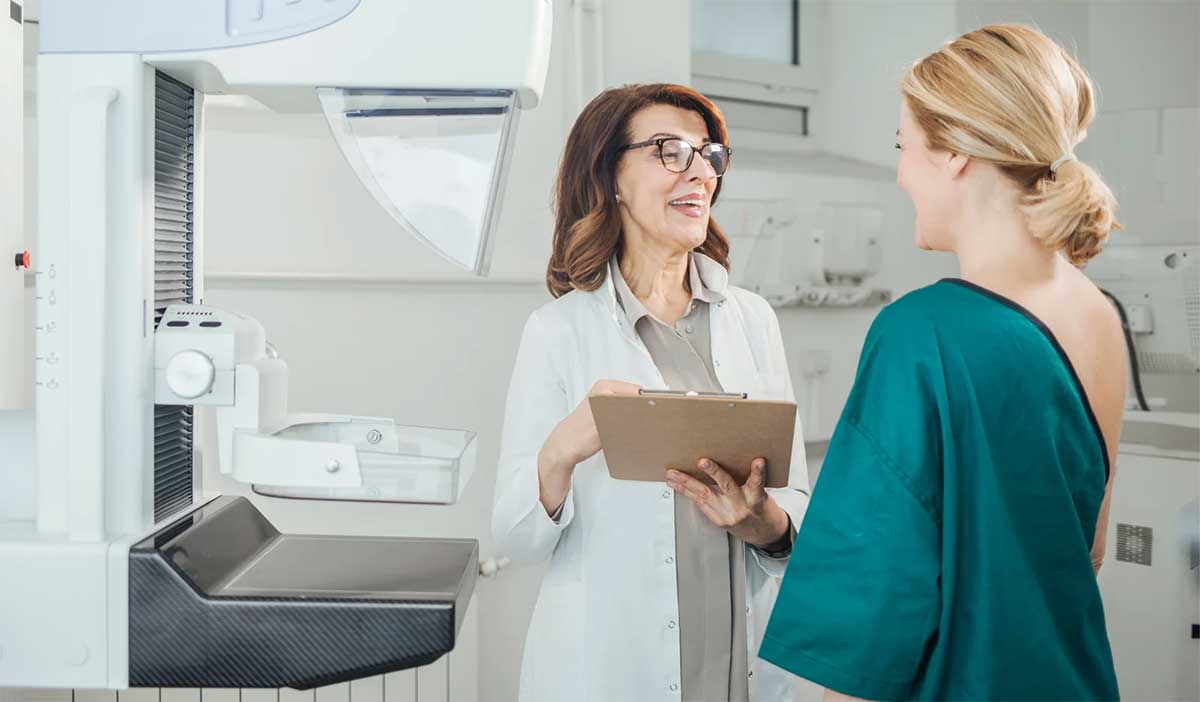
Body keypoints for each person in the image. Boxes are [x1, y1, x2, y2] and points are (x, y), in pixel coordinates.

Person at [759, 24, 1124, 701]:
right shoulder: (1099, 315)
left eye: (904, 146)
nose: (900, 173)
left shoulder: (920, 334)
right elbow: (1087, 553)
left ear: (954, 152)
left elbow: (862, 624)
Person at [492, 83, 810, 701]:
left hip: (740, 659)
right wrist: (564, 447)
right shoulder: (558, 331)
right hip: (613, 664)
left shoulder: (752, 319)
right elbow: (515, 535)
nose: (699, 172)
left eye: (709, 154)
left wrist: (763, 522)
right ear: (612, 176)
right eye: (670, 151)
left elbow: (793, 498)